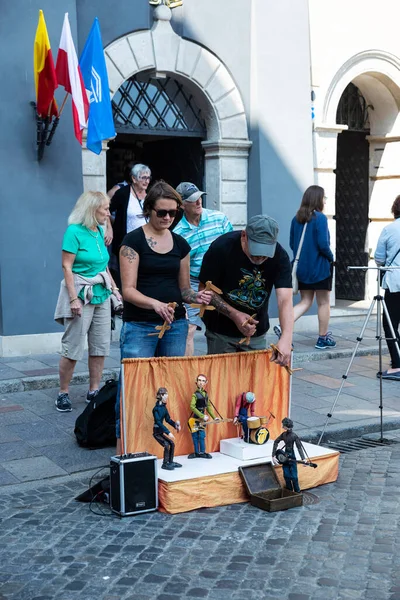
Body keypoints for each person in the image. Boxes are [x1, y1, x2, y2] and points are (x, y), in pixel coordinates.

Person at [115, 181, 212, 452]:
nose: (168, 217)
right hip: (140, 324)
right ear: (149, 210)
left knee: (169, 383)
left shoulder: (180, 243)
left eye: (173, 213)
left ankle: (163, 443)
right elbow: (129, 290)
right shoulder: (132, 241)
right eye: (162, 212)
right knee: (134, 384)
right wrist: (155, 304)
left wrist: (197, 297)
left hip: (175, 324)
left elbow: (183, 290)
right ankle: (126, 442)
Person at [54, 192, 122, 412]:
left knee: (100, 345)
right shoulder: (74, 232)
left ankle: (93, 390)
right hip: (80, 293)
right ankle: (63, 392)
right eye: (104, 209)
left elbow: (103, 266)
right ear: (92, 210)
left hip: (101, 293)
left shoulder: (99, 231)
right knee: (72, 346)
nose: (108, 213)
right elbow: (67, 267)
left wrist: (115, 290)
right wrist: (73, 298)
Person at [198, 214, 293, 366]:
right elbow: (204, 290)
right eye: (256, 252)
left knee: (252, 387)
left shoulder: (280, 256)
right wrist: (234, 314)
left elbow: (285, 300)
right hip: (220, 332)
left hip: (256, 333)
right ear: (244, 236)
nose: (260, 258)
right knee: (221, 384)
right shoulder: (222, 248)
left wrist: (286, 339)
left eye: (265, 253)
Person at [174, 182, 233, 355]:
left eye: (200, 197)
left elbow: (233, 247)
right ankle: (187, 374)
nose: (199, 202)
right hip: (194, 282)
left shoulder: (219, 218)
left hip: (221, 281)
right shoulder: (178, 234)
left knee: (223, 328)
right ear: (182, 205)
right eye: (193, 200)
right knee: (189, 329)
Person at [287, 185, 335, 350]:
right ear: (317, 199)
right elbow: (323, 244)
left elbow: (292, 243)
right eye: (324, 197)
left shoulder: (296, 219)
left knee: (305, 301)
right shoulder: (320, 218)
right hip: (320, 268)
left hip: (302, 268)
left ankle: (283, 327)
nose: (325, 200)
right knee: (323, 303)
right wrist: (331, 257)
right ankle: (322, 338)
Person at [374, 194, 400, 380]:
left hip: (395, 283)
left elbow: (379, 258)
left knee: (390, 323)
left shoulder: (389, 229)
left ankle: (397, 364)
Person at [108, 163, 152, 268]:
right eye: (143, 178)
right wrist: (109, 229)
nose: (147, 181)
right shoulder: (122, 193)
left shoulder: (151, 194)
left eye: (148, 178)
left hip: (147, 242)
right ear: (134, 178)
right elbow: (107, 211)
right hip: (126, 243)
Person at [272, 417, 306, 493]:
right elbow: (276, 442)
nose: (282, 427)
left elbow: (299, 447)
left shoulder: (294, 436)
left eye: (283, 425)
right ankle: (289, 491)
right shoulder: (283, 434)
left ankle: (297, 491)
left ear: (286, 426)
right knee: (286, 476)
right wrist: (273, 455)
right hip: (285, 456)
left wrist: (303, 459)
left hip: (292, 456)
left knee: (294, 476)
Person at [188, 374, 218, 459]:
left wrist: (214, 417)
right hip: (195, 418)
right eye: (199, 380)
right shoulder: (195, 395)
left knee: (201, 435)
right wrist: (202, 415)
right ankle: (197, 452)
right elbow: (192, 406)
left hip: (202, 419)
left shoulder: (205, 394)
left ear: (206, 383)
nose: (201, 383)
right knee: (195, 436)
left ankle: (202, 452)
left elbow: (208, 406)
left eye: (203, 381)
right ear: (196, 382)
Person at [152, 387, 182, 471]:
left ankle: (170, 462)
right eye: (166, 394)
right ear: (161, 395)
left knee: (171, 443)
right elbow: (158, 422)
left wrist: (175, 425)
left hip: (161, 432)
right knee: (166, 444)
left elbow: (168, 419)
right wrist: (168, 432)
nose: (167, 396)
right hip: (156, 432)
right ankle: (164, 464)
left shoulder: (164, 408)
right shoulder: (156, 409)